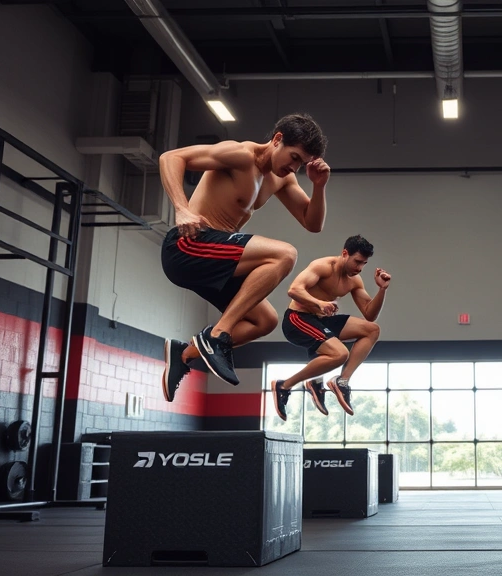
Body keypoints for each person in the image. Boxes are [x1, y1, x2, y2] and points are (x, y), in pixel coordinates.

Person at [159, 114, 330, 403]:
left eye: (301, 163)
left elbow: (312, 223)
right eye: (294, 157)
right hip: (187, 245)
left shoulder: (281, 178)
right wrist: (181, 208)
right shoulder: (240, 155)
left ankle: (184, 354)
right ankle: (218, 335)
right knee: (285, 254)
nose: (294, 167)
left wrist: (319, 186)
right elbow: (171, 157)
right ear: (277, 139)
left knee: (264, 320)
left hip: (216, 259)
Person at [271, 235, 390, 421]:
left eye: (364, 264)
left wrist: (382, 290)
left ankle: (342, 381)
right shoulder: (323, 266)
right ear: (345, 253)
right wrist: (318, 303)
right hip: (297, 319)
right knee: (340, 354)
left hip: (321, 321)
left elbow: (369, 313)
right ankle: (284, 385)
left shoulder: (354, 280)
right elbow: (294, 289)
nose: (359, 268)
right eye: (357, 261)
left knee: (372, 330)